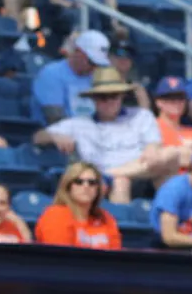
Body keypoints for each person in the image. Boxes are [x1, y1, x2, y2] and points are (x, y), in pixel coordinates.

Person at [33, 67, 166, 203]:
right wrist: (55, 136)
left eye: (114, 96)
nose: (109, 102)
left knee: (171, 154)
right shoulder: (79, 123)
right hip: (97, 181)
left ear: (122, 96)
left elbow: (154, 147)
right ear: (93, 99)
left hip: (140, 176)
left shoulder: (141, 116)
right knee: (121, 182)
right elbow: (38, 137)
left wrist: (152, 146)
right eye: (103, 97)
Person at [35, 162, 121, 250]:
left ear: (97, 189)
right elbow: (60, 258)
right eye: (79, 182)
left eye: (92, 182)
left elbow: (116, 257)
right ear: (68, 187)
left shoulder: (106, 218)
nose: (86, 186)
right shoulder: (55, 215)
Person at [33, 30, 109, 123]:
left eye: (98, 64)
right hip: (54, 135)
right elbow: (54, 118)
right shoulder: (51, 74)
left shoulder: (95, 77)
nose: (94, 68)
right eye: (92, 62)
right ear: (78, 52)